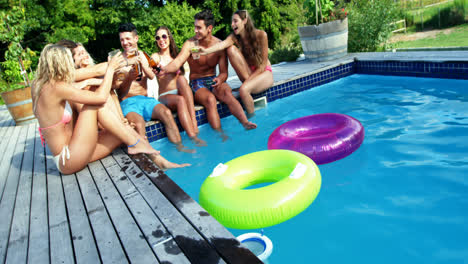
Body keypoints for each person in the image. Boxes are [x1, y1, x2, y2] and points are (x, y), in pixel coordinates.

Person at [56, 40, 190, 170]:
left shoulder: (84, 78)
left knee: (128, 124)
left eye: (84, 52)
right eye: (79, 54)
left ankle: (161, 158)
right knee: (128, 126)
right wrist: (125, 63)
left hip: (93, 137)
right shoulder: (69, 82)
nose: (84, 55)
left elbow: (115, 87)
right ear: (71, 61)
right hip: (76, 150)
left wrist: (121, 121)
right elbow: (100, 100)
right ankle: (153, 160)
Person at [31, 44, 161, 174]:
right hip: (68, 158)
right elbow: (100, 98)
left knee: (122, 131)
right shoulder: (56, 87)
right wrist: (110, 69)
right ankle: (138, 145)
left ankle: (155, 157)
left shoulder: (39, 86)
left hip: (77, 147)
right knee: (93, 103)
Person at [159, 10, 256, 140]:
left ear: (209, 28)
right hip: (197, 83)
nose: (195, 30)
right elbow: (177, 63)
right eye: (195, 27)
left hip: (213, 80)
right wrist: (164, 69)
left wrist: (219, 79)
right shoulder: (190, 44)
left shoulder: (219, 45)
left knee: (227, 93)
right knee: (210, 100)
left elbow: (224, 73)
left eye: (199, 27)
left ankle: (245, 122)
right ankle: (221, 135)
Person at [114, 22, 194, 153]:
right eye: (122, 39)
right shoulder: (118, 61)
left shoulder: (144, 56)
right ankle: (151, 161)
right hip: (129, 102)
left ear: (136, 39)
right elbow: (120, 93)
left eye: (128, 38)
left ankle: (180, 149)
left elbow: (153, 75)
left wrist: (145, 64)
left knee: (167, 113)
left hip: (146, 100)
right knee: (139, 125)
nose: (125, 42)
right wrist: (129, 77)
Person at [198, 10, 274, 116]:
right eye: (231, 22)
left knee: (243, 90)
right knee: (230, 49)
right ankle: (248, 92)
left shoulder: (261, 35)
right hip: (248, 74)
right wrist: (205, 51)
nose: (232, 24)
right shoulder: (235, 37)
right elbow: (221, 45)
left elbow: (262, 67)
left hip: (264, 73)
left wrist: (247, 84)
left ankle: (253, 121)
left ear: (245, 21)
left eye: (235, 21)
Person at [151, 26, 205, 146]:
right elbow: (151, 67)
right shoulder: (156, 57)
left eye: (164, 36)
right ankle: (193, 137)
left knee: (181, 79)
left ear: (169, 38)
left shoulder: (177, 57)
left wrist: (196, 48)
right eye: (158, 37)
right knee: (180, 100)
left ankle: (194, 123)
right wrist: (155, 68)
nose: (161, 40)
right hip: (166, 96)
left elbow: (196, 61)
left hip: (180, 92)